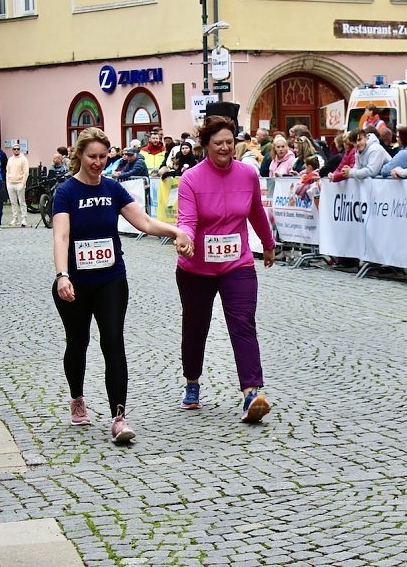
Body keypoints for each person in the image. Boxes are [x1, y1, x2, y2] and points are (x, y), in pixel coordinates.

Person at [52, 127, 193, 444]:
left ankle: (119, 417)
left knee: (113, 341)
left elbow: (143, 222)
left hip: (111, 278)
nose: (98, 163)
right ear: (79, 155)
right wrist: (62, 274)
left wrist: (176, 232)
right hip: (75, 281)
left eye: (103, 157)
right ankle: (77, 399)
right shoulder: (66, 192)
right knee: (78, 343)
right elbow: (61, 236)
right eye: (92, 157)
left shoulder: (113, 189)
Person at [176, 115, 276, 423]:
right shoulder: (191, 179)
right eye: (218, 143)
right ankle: (192, 383)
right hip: (197, 267)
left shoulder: (247, 174)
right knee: (196, 326)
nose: (225, 148)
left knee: (243, 324)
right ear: (205, 145)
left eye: (230, 143)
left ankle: (251, 393)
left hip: (238, 263)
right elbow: (188, 220)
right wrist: (186, 240)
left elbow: (256, 212)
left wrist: (268, 243)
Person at [6, 143, 30, 227]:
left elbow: (26, 172)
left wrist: (23, 183)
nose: (16, 150)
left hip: (19, 183)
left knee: (22, 202)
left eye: (18, 149)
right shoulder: (10, 159)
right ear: (12, 150)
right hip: (11, 183)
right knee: (13, 202)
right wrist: (8, 182)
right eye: (14, 149)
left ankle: (24, 219)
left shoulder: (23, 159)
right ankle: (15, 218)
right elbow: (7, 171)